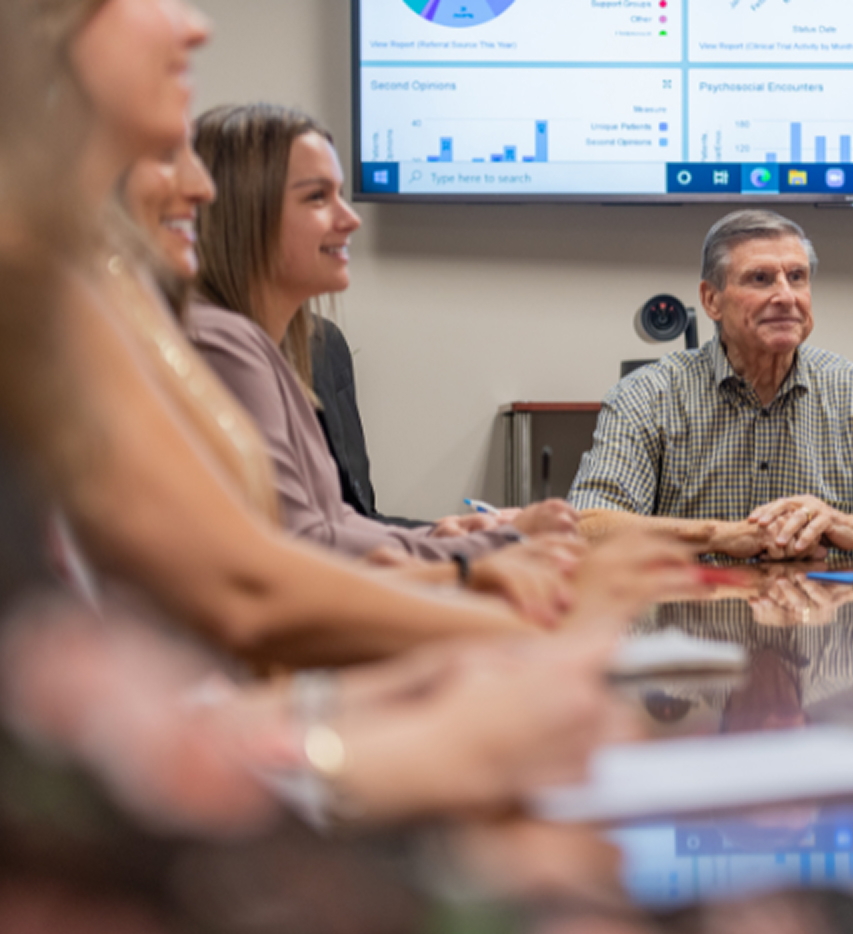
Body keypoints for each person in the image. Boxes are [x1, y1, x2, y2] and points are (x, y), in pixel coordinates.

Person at [38, 0, 701, 665]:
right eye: (317, 198)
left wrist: (464, 551)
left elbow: (325, 537)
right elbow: (289, 564)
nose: (349, 220)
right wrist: (487, 562)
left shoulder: (285, 348)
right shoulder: (216, 339)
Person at [568, 209, 853, 561]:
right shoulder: (648, 396)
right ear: (712, 300)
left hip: (834, 640)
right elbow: (586, 526)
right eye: (761, 279)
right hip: (690, 638)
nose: (786, 296)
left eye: (797, 277)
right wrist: (720, 536)